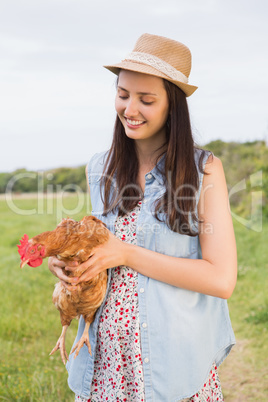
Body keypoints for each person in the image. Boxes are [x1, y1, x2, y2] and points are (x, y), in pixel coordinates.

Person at [48, 33, 237, 401]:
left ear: (172, 105)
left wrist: (127, 253)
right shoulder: (99, 168)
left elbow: (221, 279)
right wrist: (69, 262)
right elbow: (101, 251)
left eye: (146, 99)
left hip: (172, 363)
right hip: (105, 363)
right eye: (122, 94)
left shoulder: (204, 171)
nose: (130, 109)